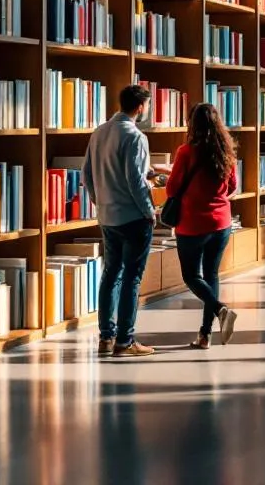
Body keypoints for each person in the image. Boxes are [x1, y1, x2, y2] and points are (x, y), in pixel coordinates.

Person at [83, 85, 157, 357]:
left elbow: (86, 174)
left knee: (110, 274)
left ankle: (106, 337)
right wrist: (149, 211)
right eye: (147, 106)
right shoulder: (135, 136)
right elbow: (135, 181)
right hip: (133, 217)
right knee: (131, 279)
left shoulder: (99, 132)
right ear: (140, 107)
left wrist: (99, 200)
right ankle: (125, 341)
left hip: (107, 216)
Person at [167, 103, 239, 347]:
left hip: (193, 224)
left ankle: (220, 309)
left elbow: (172, 189)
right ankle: (205, 335)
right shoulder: (226, 152)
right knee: (211, 275)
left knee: (191, 276)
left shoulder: (186, 152)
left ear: (192, 124)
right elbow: (232, 186)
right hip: (221, 223)